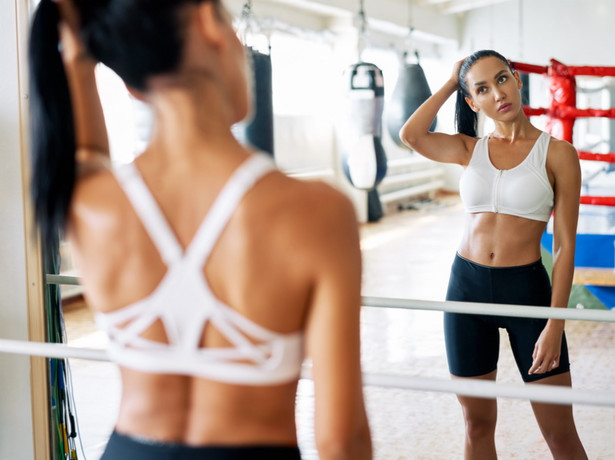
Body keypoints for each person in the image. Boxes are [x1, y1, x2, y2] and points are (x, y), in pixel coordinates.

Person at [28, 1, 372, 459]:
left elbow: (85, 152)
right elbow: (340, 438)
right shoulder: (319, 213)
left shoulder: (89, 204)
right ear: (209, 20)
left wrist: (78, 57)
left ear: (130, 84)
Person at [400, 50, 587, 460]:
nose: (497, 93)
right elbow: (411, 135)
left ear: (517, 80)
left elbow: (565, 244)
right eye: (482, 88)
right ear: (472, 102)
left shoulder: (558, 154)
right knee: (476, 424)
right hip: (465, 290)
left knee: (559, 434)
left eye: (502, 79)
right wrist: (452, 81)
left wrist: (556, 325)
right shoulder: (470, 149)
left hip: (527, 295)